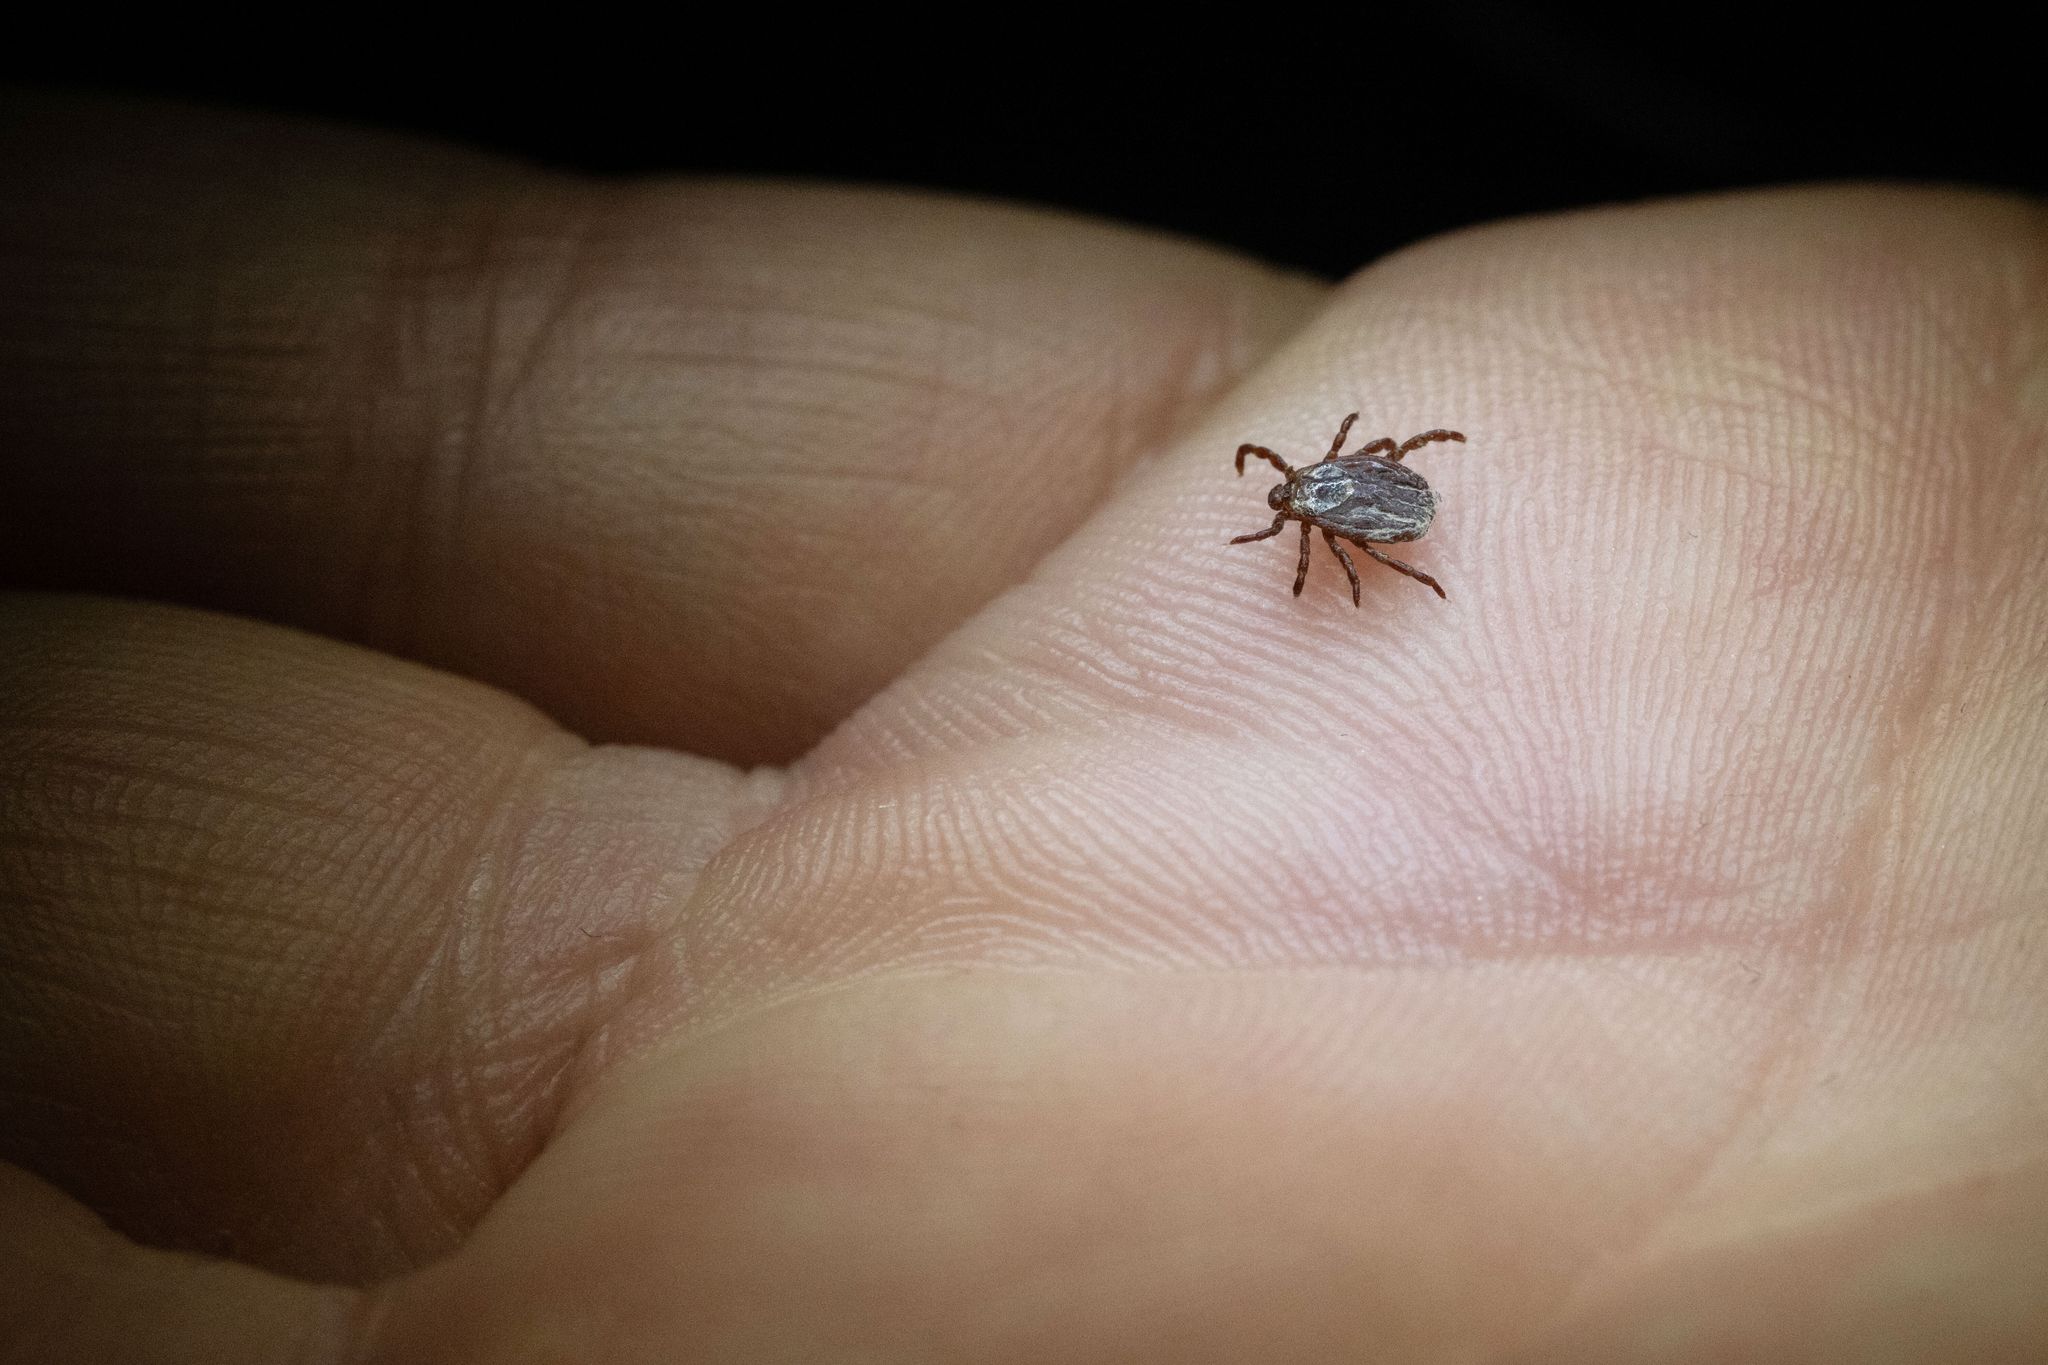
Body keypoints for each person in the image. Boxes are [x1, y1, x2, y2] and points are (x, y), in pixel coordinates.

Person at [2, 89, 2043, 1362]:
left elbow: (1373, 502)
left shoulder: (1334, 512)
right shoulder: (1341, 507)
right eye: (1304, 505)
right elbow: (1381, 487)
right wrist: (1372, 513)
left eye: (1302, 499)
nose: (1303, 510)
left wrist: (1364, 525)